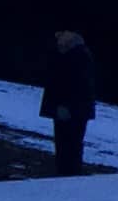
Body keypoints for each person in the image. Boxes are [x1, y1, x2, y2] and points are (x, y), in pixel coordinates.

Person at [40, 29, 96, 175]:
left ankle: (69, 173)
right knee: (64, 143)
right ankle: (66, 172)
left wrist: (66, 105)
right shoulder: (69, 54)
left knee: (70, 143)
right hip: (69, 108)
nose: (58, 38)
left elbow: (77, 84)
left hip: (72, 110)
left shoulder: (78, 55)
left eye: (62, 35)